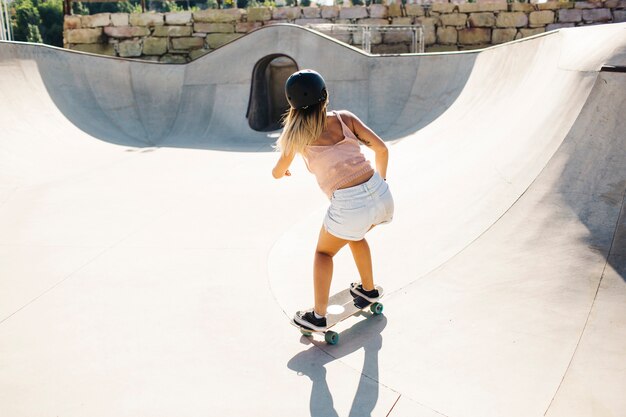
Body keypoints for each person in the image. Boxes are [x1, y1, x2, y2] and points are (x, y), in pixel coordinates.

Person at [272, 69, 394, 331]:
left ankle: (317, 316)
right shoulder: (344, 118)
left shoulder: (297, 137)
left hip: (350, 206)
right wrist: (381, 183)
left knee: (324, 252)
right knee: (355, 235)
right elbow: (382, 149)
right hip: (382, 196)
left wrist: (284, 173)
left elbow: (277, 171)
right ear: (325, 96)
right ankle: (369, 290)